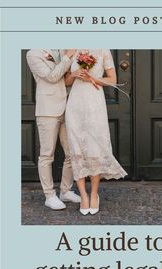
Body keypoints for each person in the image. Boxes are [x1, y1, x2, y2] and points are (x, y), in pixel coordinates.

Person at [65, 49, 127, 215]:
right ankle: (83, 195)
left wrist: (92, 78)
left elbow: (112, 79)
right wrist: (75, 74)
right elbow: (66, 81)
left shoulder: (103, 50)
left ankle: (94, 194)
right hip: (75, 104)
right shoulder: (70, 49)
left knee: (94, 149)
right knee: (76, 149)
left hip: (94, 102)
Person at [26, 49, 81, 210]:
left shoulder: (63, 48)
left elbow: (66, 78)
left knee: (71, 152)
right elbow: (52, 77)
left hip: (68, 107)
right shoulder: (33, 53)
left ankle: (66, 191)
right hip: (47, 110)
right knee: (47, 155)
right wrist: (68, 56)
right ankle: (49, 196)